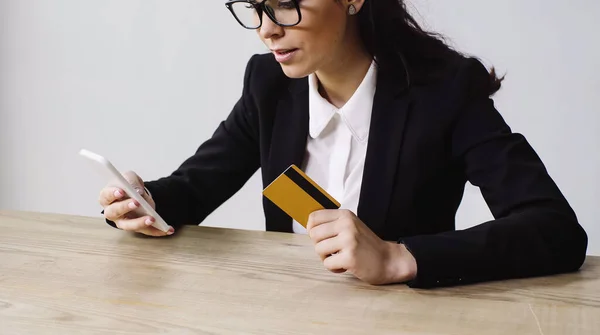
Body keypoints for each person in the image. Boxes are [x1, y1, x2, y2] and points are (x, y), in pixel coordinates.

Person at [98, 0, 588, 288]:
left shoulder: (445, 92)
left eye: (287, 3)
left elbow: (556, 231)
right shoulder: (269, 84)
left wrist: (399, 257)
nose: (267, 28)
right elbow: (197, 186)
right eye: (255, 7)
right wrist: (144, 201)